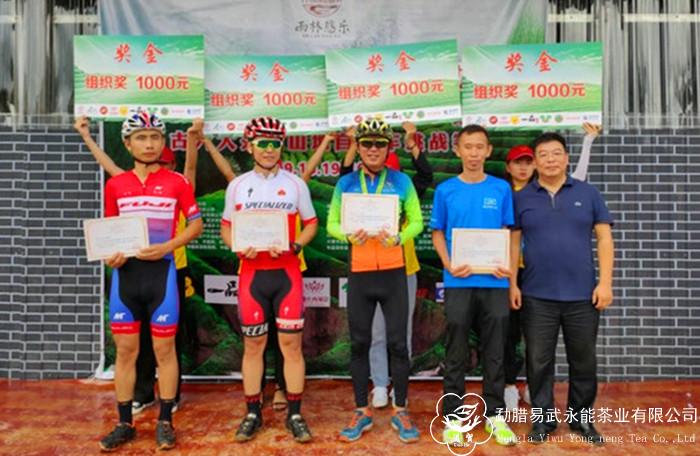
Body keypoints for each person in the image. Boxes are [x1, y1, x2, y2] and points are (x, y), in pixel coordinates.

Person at [75, 116, 199, 415]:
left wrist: (167, 247)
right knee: (127, 351)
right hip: (127, 277)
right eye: (141, 138)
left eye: (155, 137)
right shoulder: (117, 184)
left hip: (164, 273)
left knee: (165, 349)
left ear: (163, 142)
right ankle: (124, 421)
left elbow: (196, 225)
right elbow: (110, 232)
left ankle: (166, 418)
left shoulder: (177, 182)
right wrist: (110, 256)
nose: (149, 144)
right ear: (128, 144)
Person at [510, 132, 614, 446]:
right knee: (538, 361)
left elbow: (604, 239)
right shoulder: (522, 197)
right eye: (543, 155)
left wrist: (605, 283)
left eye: (556, 153)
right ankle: (543, 419)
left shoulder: (588, 193)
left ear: (567, 158)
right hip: (536, 294)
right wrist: (512, 283)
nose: (550, 160)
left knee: (583, 361)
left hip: (582, 295)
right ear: (535, 162)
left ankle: (581, 418)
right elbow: (513, 243)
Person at [220, 117, 318, 443]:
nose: (269, 150)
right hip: (251, 274)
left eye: (275, 144)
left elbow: (311, 223)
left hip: (286, 273)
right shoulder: (237, 185)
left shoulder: (295, 184)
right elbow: (226, 227)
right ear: (250, 147)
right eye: (262, 143)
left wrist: (296, 246)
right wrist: (237, 246)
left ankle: (295, 414)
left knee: (291, 346)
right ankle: (252, 413)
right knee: (253, 346)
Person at [327, 117, 423, 444]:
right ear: (358, 147)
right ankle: (360, 410)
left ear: (388, 148)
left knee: (398, 343)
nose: (372, 149)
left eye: (379, 144)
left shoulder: (401, 181)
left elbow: (417, 222)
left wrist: (398, 238)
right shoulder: (346, 184)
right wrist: (346, 234)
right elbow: (331, 223)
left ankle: (401, 409)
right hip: (361, 272)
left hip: (394, 270)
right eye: (366, 143)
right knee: (359, 342)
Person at [430, 124, 517, 447]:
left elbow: (508, 232)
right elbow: (437, 232)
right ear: (458, 150)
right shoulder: (446, 190)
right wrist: (449, 263)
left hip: (495, 282)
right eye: (468, 147)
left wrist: (507, 267)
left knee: (495, 351)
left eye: (480, 147)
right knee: (455, 352)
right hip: (459, 280)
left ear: (488, 151)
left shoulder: (501, 189)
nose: (474, 153)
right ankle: (454, 418)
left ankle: (495, 415)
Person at [502, 144, 535, 411]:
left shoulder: (542, 193)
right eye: (518, 162)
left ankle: (534, 384)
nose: (523, 168)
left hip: (537, 272)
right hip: (506, 271)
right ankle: (509, 385)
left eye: (528, 162)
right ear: (508, 167)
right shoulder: (501, 193)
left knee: (537, 331)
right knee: (509, 332)